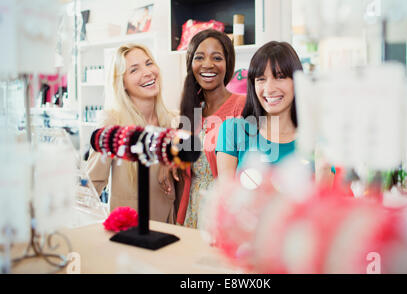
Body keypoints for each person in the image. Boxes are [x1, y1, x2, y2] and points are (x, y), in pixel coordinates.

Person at [216, 41, 335, 186]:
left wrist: (323, 168)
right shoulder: (233, 130)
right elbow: (226, 199)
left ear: (297, 81)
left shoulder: (316, 139)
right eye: (261, 79)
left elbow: (323, 204)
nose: (269, 88)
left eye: (280, 77)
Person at [86, 43, 180, 224]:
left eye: (149, 63)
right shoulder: (113, 124)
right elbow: (91, 186)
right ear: (122, 83)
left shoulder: (173, 121)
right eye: (134, 70)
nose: (147, 72)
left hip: (169, 231)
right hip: (130, 235)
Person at [176, 29, 246, 228]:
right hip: (191, 210)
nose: (207, 64)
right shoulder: (190, 111)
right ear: (191, 63)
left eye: (217, 57)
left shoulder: (242, 106)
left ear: (228, 64)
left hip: (225, 214)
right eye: (199, 57)